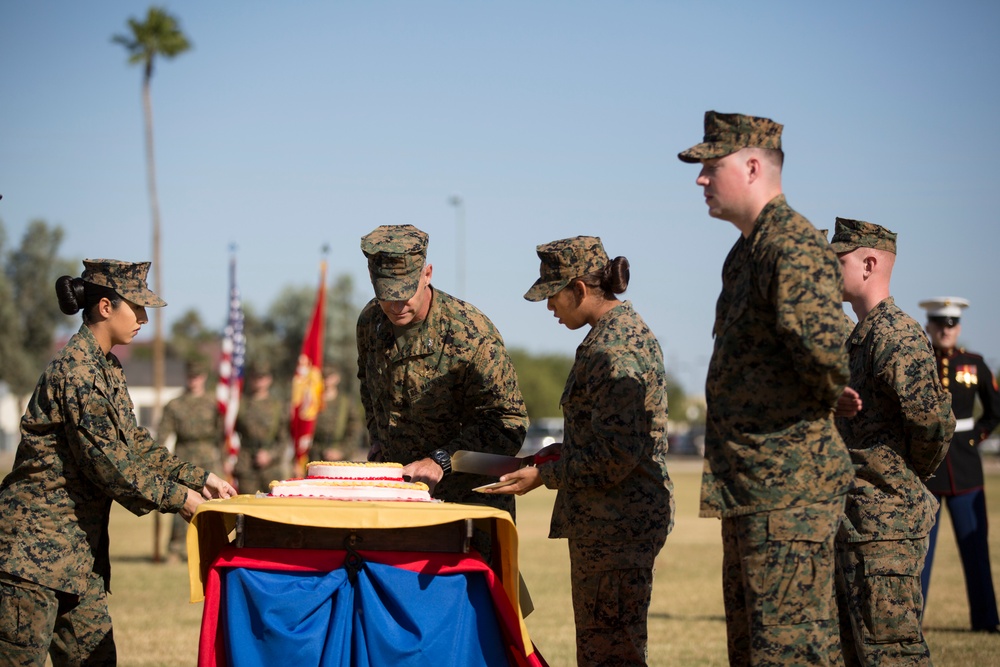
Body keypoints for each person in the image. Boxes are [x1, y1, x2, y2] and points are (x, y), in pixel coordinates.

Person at [677, 111, 855, 666]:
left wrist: (819, 401)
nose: (700, 180)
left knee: (792, 652)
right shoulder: (746, 251)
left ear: (753, 166)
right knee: (756, 651)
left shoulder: (791, 244)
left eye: (711, 167)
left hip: (790, 492)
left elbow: (825, 355)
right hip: (754, 490)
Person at [0, 259, 235, 664]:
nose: (144, 318)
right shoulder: (75, 372)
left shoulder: (106, 368)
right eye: (137, 307)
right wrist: (181, 499)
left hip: (77, 558)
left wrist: (200, 478)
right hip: (31, 559)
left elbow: (135, 444)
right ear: (105, 307)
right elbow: (108, 464)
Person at [483, 236, 673, 666]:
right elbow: (605, 437)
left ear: (580, 289)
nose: (550, 307)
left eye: (553, 295)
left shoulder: (615, 349)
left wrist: (544, 476)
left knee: (611, 655)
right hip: (608, 524)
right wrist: (551, 457)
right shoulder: (610, 338)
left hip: (618, 525)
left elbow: (617, 454)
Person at [830, 218, 954, 665]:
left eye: (837, 259)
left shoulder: (895, 335)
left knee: (891, 652)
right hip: (855, 520)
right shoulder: (859, 335)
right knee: (855, 652)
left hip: (887, 527)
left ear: (868, 263)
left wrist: (899, 480)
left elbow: (932, 425)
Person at [356, 224, 528, 525]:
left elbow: (508, 425)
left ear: (427, 274)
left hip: (468, 506)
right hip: (399, 502)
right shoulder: (371, 322)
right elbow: (368, 387)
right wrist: (378, 440)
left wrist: (441, 460)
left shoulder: (470, 333)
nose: (396, 306)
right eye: (386, 294)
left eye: (406, 292)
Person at [918, 296, 1000, 632]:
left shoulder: (975, 363)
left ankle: (985, 621)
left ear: (959, 327)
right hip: (929, 472)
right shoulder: (918, 362)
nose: (945, 330)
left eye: (951, 324)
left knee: (975, 550)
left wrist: (975, 437)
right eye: (939, 324)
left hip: (966, 470)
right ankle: (911, 622)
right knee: (920, 554)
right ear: (929, 327)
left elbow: (995, 409)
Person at [158, 358, 224, 563]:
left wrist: (226, 457)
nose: (193, 381)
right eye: (190, 376)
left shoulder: (215, 404)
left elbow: (224, 434)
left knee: (212, 504)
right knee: (181, 500)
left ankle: (214, 546)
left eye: (197, 376)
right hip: (184, 456)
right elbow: (162, 434)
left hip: (208, 457)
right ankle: (175, 549)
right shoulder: (174, 404)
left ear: (203, 377)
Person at [233, 359, 290, 493]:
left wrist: (270, 455)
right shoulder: (240, 404)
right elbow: (229, 435)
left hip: (272, 469)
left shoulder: (278, 406)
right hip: (246, 468)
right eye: (255, 377)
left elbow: (284, 439)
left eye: (262, 377)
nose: (259, 381)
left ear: (269, 379)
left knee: (272, 510)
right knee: (246, 509)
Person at [307, 366, 363, 464]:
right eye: (323, 377)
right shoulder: (312, 403)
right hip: (314, 456)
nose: (326, 381)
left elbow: (355, 431)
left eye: (330, 377)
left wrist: (341, 451)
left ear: (337, 378)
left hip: (340, 459)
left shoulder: (346, 404)